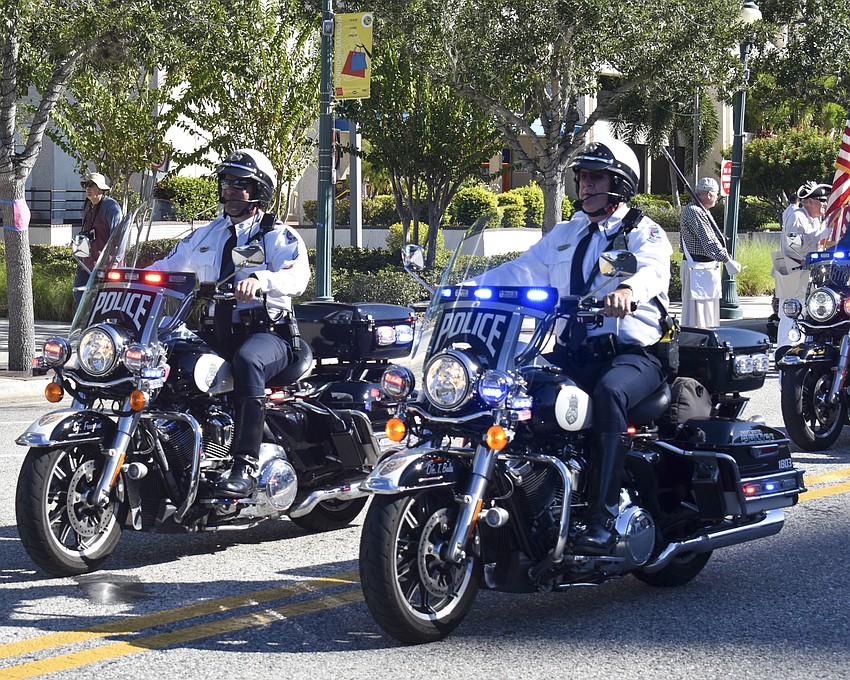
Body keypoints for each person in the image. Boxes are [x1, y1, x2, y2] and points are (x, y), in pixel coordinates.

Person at [474, 138, 672, 554]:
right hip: (570, 355)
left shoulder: (641, 231)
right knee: (506, 387)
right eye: (582, 177)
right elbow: (522, 269)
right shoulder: (565, 234)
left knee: (609, 393)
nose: (585, 186)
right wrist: (468, 287)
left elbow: (652, 268)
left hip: (630, 356)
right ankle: (519, 499)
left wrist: (629, 289)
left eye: (596, 177)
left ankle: (601, 519)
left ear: (619, 183)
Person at [151, 149, 310, 497]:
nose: (231, 191)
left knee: (247, 361)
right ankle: (167, 452)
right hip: (215, 333)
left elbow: (297, 275)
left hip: (268, 334)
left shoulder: (277, 236)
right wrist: (125, 278)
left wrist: (262, 280)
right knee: (164, 359)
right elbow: (170, 265)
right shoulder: (207, 235)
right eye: (227, 183)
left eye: (242, 184)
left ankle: (244, 464)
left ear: (260, 191)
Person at [773, 180, 830, 357]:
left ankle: (798, 350)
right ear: (810, 201)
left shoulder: (814, 219)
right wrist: (820, 235)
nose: (825, 204)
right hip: (793, 272)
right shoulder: (797, 216)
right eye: (821, 200)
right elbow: (793, 247)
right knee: (789, 312)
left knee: (804, 313)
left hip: (805, 273)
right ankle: (784, 350)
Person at [678, 177, 741, 328]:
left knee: (707, 313)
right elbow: (709, 241)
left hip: (704, 269)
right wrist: (726, 259)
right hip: (697, 268)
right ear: (709, 195)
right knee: (697, 315)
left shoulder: (701, 210)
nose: (717, 198)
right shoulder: (695, 211)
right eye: (716, 194)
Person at [74, 172, 122, 304]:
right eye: (86, 185)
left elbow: (119, 236)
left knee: (106, 300)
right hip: (87, 262)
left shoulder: (111, 207)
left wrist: (116, 262)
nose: (88, 188)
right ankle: (87, 324)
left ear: (101, 189)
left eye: (92, 185)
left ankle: (105, 324)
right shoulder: (88, 206)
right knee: (79, 293)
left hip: (106, 264)